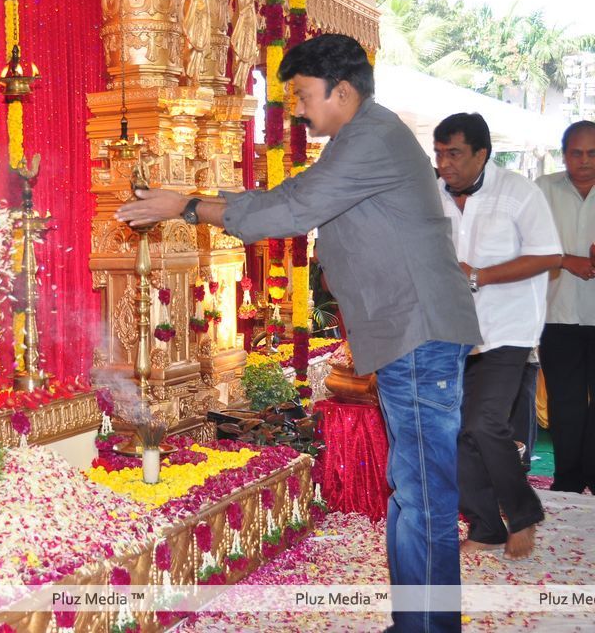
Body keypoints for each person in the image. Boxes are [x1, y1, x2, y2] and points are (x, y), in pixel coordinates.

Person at [116, 33, 481, 632]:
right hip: (408, 334)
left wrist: (186, 206)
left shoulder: (371, 139)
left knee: (423, 496)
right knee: (410, 490)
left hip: (419, 334)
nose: (297, 108)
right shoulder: (360, 138)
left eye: (303, 95)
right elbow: (296, 203)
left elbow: (291, 207)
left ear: (341, 91)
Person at [433, 113, 560, 560]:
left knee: (484, 421)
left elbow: (548, 255)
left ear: (481, 154)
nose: (444, 163)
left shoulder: (518, 192)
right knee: (454, 431)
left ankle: (523, 515)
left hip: (508, 329)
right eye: (439, 153)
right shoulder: (431, 197)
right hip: (450, 332)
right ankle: (485, 526)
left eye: (454, 154)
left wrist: (479, 276)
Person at [536, 120, 595, 494]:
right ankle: (568, 481)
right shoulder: (543, 190)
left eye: (592, 153)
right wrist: (565, 260)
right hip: (557, 315)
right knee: (565, 404)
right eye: (577, 153)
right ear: (564, 154)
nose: (585, 161)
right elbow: (523, 247)